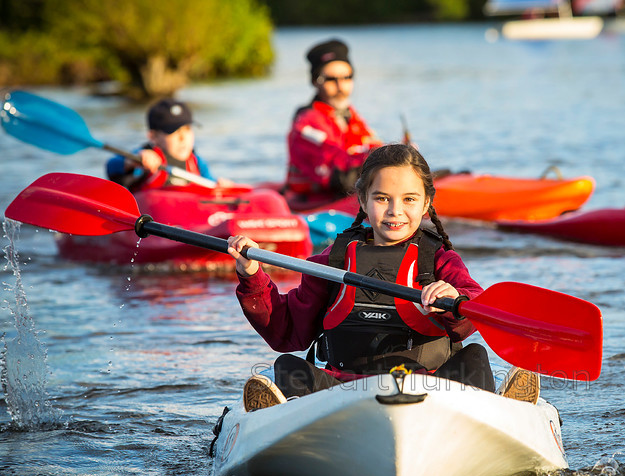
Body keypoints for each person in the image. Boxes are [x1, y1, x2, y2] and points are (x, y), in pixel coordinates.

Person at [228, 144, 538, 412]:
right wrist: (252, 276)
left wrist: (455, 301)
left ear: (427, 203)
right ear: (362, 199)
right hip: (344, 393)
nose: (395, 211)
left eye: (409, 199)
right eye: (382, 199)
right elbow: (286, 332)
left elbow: (474, 310)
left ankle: (502, 413)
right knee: (289, 366)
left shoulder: (440, 261)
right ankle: (278, 417)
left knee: (474, 357)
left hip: (432, 392)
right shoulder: (332, 262)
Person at [285, 38, 382, 208]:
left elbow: (372, 146)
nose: (340, 86)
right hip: (318, 203)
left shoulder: (351, 116)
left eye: (347, 77)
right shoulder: (307, 123)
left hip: (348, 193)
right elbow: (340, 178)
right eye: (331, 79)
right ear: (316, 81)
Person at [106, 98, 232, 192]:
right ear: (153, 137)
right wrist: (132, 162)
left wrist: (222, 188)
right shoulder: (145, 158)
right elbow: (112, 166)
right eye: (173, 132)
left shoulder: (196, 162)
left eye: (187, 129)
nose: (183, 138)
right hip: (155, 218)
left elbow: (210, 185)